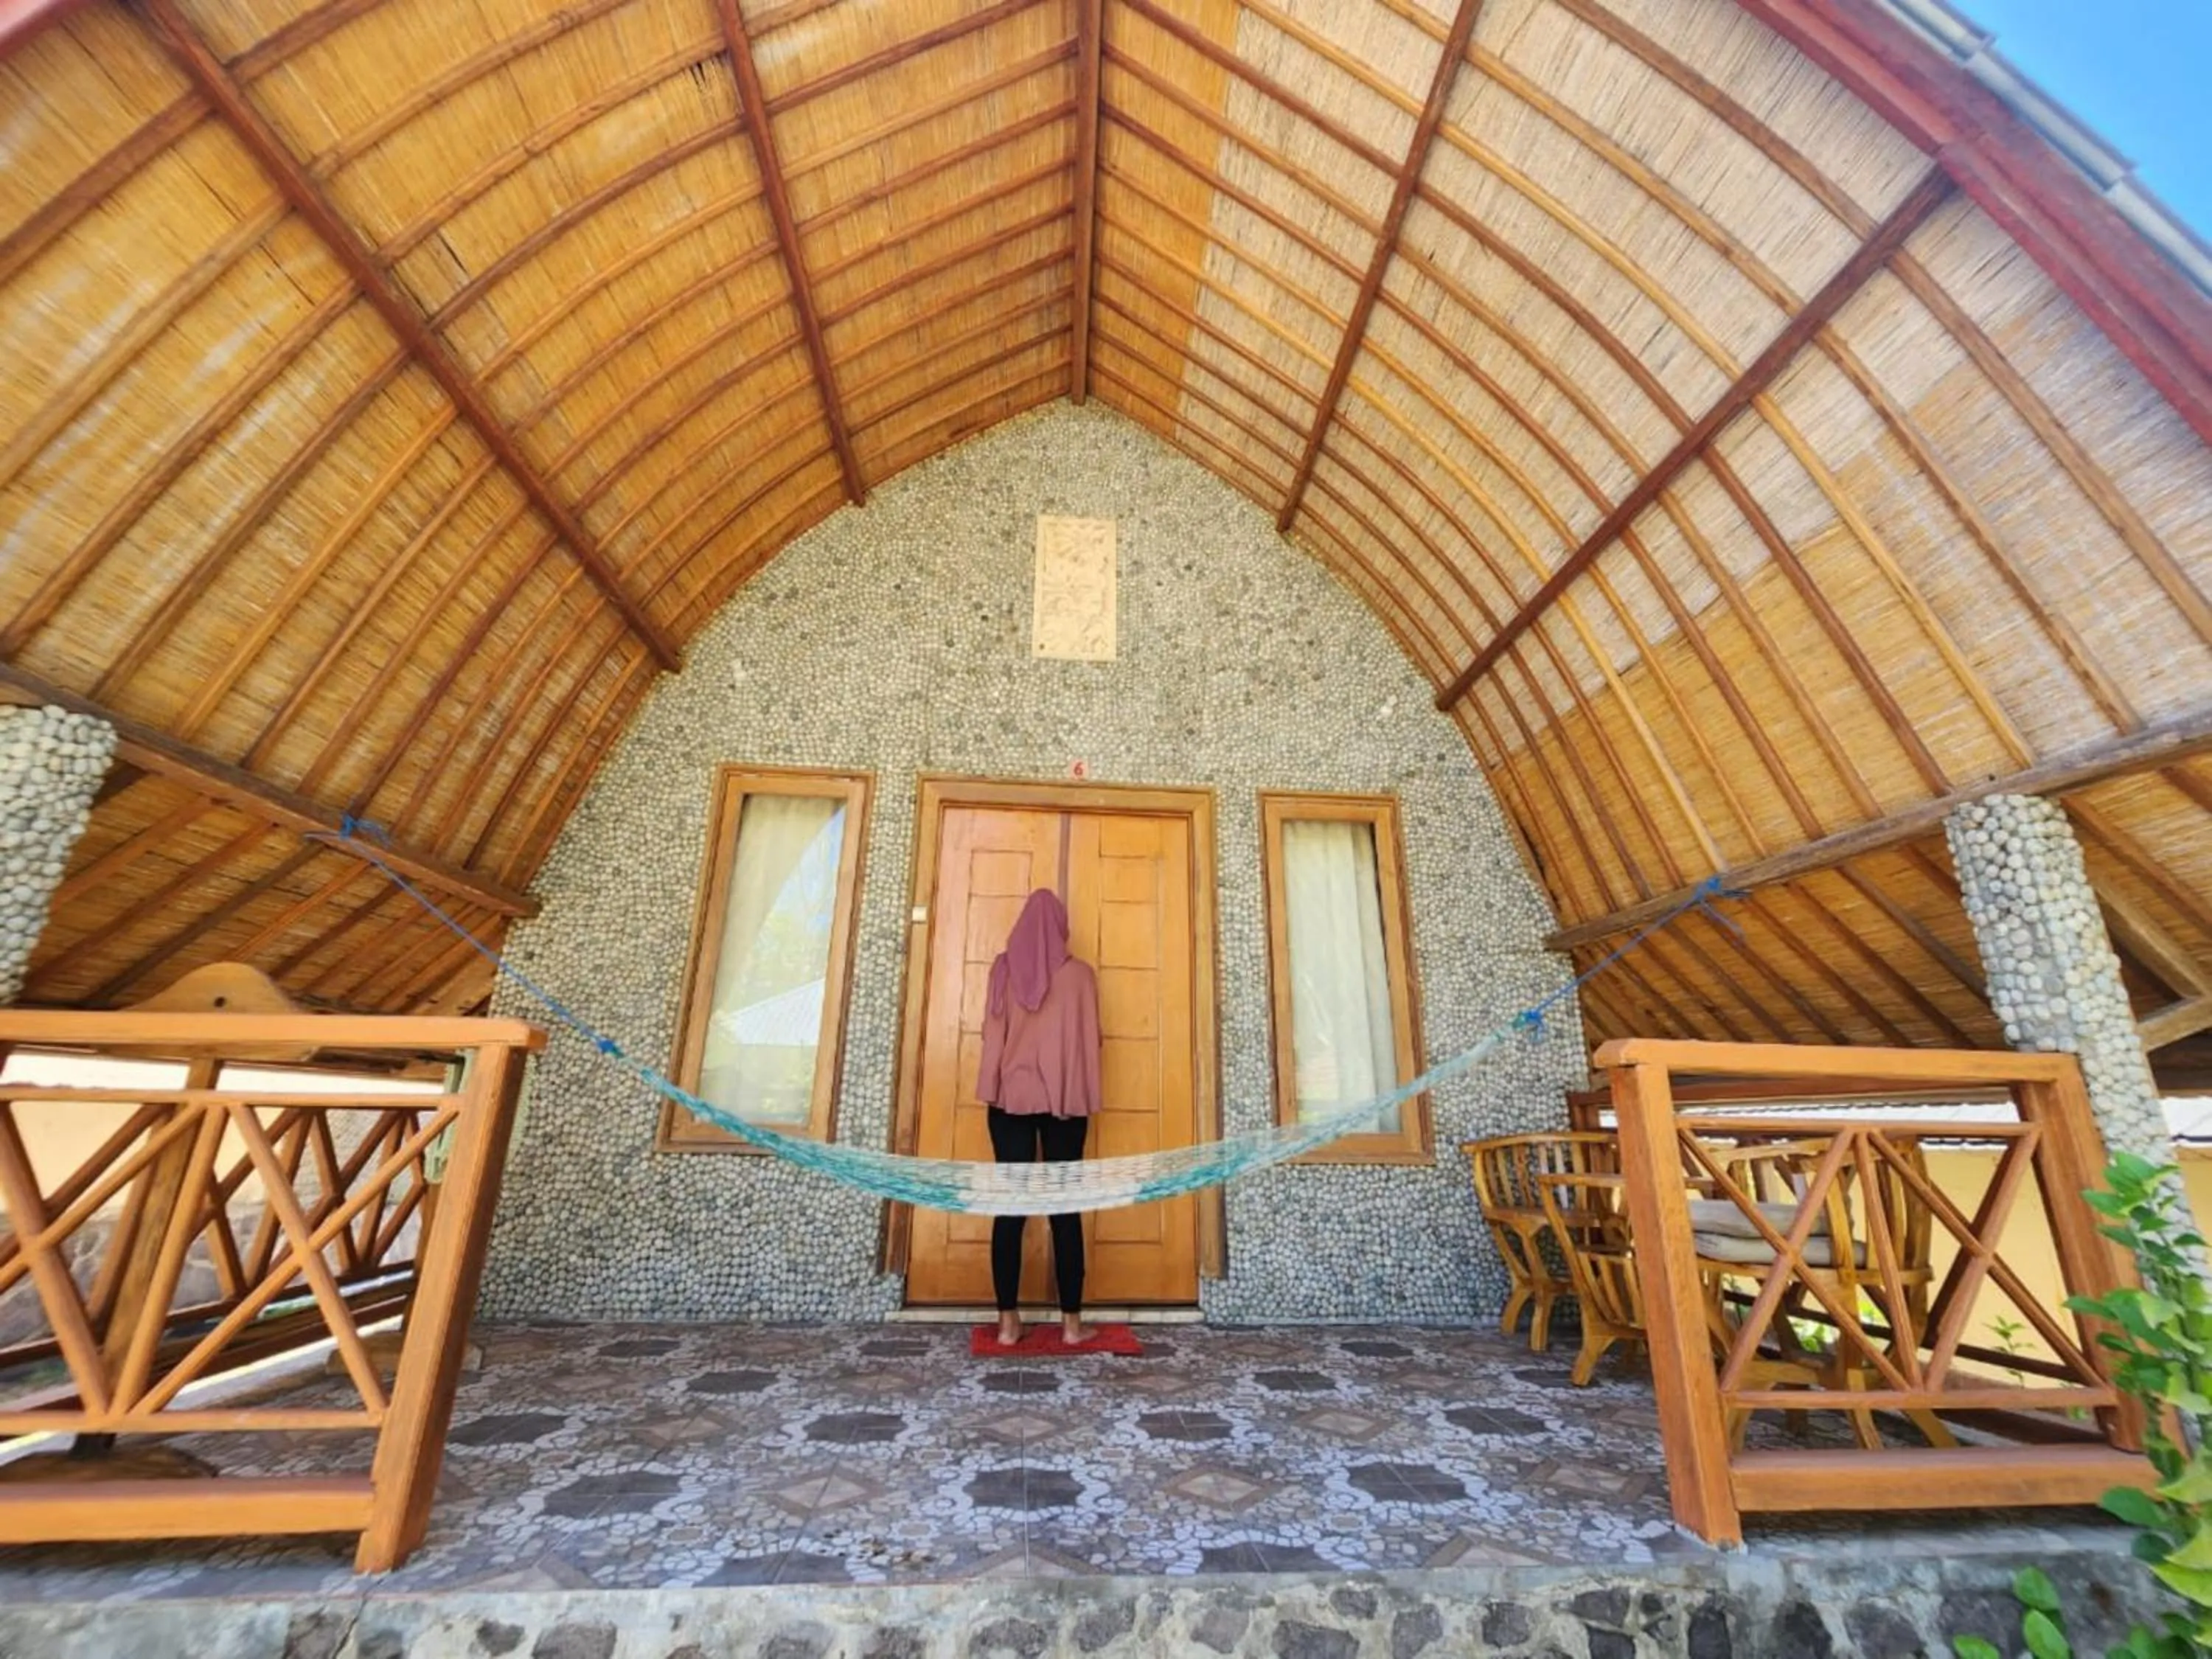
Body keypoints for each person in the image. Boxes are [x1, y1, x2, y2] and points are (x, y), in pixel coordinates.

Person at [975, 886, 1102, 1347]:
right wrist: (1078, 1095)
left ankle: (1008, 1326)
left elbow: (992, 1038)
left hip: (1009, 1103)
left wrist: (992, 1090)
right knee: (1065, 1211)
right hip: (1065, 1105)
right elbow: (1091, 1045)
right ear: (1061, 927)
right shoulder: (1082, 977)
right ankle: (1071, 1327)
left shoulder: (1004, 970)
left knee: (1009, 1212)